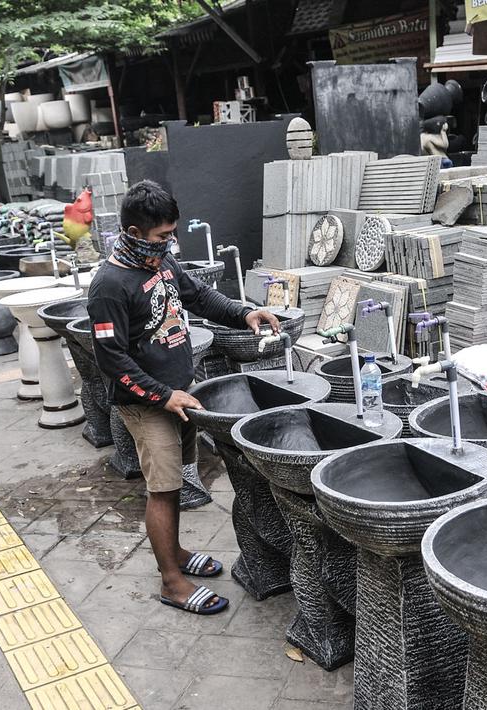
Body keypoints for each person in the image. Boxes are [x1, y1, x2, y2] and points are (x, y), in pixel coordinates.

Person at [88, 180, 281, 616]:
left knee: (176, 483)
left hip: (178, 396)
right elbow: (110, 358)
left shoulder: (161, 262)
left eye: (172, 233)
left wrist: (244, 312)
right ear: (135, 234)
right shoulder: (110, 285)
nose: (170, 241)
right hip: (147, 404)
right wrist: (162, 395)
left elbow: (198, 296)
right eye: (162, 235)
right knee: (164, 488)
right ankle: (172, 581)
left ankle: (173, 552)